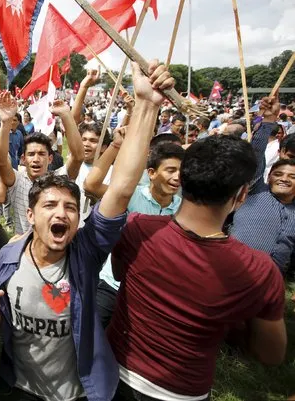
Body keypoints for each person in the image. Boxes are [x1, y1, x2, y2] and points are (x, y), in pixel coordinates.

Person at [0, 60, 177, 401]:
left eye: (71, 207)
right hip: (16, 386)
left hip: (76, 393)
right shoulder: (9, 256)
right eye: (50, 206)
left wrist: (146, 105)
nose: (62, 213)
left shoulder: (85, 252)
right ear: (29, 214)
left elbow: (121, 190)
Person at [108, 134, 286, 401]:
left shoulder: (138, 228)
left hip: (112, 374)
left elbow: (120, 274)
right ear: (241, 194)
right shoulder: (258, 270)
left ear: (183, 180)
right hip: (182, 391)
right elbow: (271, 353)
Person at [85, 141, 185, 328]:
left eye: (181, 171)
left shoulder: (183, 210)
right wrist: (115, 145)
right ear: (152, 173)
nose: (177, 177)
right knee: (91, 334)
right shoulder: (130, 197)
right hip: (112, 286)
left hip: (150, 294)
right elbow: (91, 186)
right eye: (170, 170)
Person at [0, 94, 85, 236]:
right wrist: (6, 122)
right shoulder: (17, 181)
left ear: (50, 159)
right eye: (31, 154)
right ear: (23, 159)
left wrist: (66, 114)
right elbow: (1, 161)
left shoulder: (59, 180)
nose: (36, 159)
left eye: (41, 154)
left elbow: (78, 156)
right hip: (23, 251)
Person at [231, 95, 295, 273]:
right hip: (234, 273)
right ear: (268, 177)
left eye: (292, 176)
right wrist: (268, 121)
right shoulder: (255, 192)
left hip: (271, 285)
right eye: (279, 174)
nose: (284, 179)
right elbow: (255, 154)